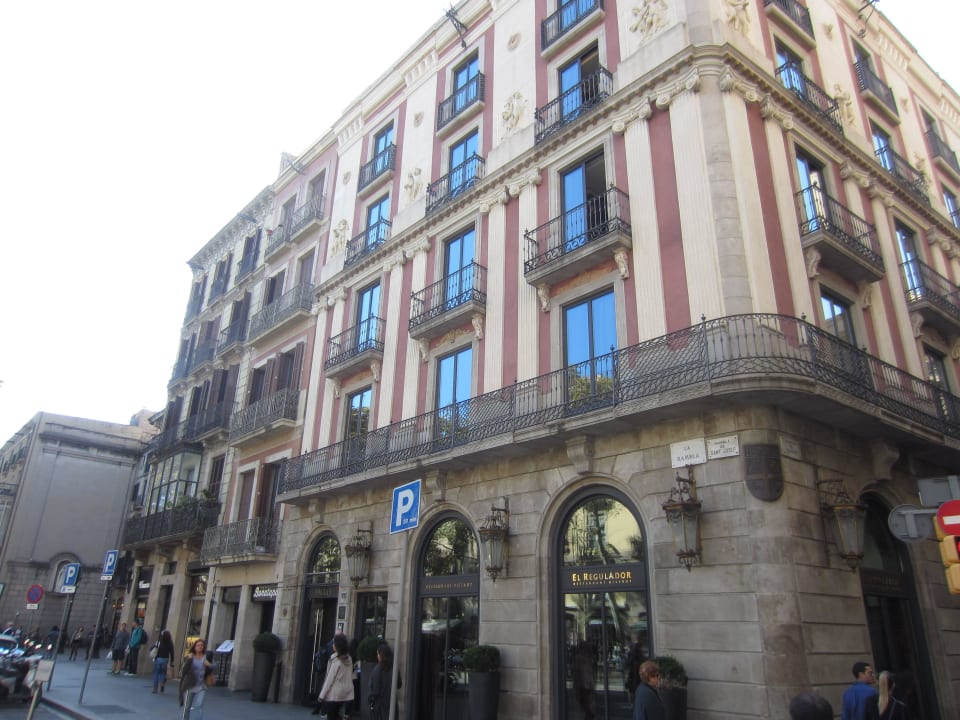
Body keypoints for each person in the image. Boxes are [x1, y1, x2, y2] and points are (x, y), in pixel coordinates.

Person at [313, 634, 354, 717]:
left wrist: (322, 695)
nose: (332, 645)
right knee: (336, 715)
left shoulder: (336, 661)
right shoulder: (349, 659)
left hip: (334, 695)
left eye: (334, 643)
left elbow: (329, 679)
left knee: (332, 715)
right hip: (345, 693)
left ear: (337, 646)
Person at [179, 638, 214, 720]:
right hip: (190, 686)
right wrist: (189, 659)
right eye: (198, 645)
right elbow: (183, 670)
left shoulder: (206, 657)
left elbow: (213, 667)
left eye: (202, 645)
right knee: (187, 707)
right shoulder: (190, 656)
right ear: (194, 647)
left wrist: (210, 665)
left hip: (201, 686)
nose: (200, 647)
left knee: (199, 706)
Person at [368, 643, 396, 720]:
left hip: (380, 707)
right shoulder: (394, 668)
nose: (377, 656)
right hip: (391, 704)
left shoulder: (377, 670)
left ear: (382, 655)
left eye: (378, 654)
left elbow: (375, 691)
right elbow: (399, 683)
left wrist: (371, 703)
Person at [152, 629, 175, 694]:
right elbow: (172, 652)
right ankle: (162, 684)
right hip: (165, 659)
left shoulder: (159, 642)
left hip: (158, 658)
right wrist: (172, 660)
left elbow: (153, 648)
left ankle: (155, 688)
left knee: (156, 674)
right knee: (162, 673)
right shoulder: (170, 643)